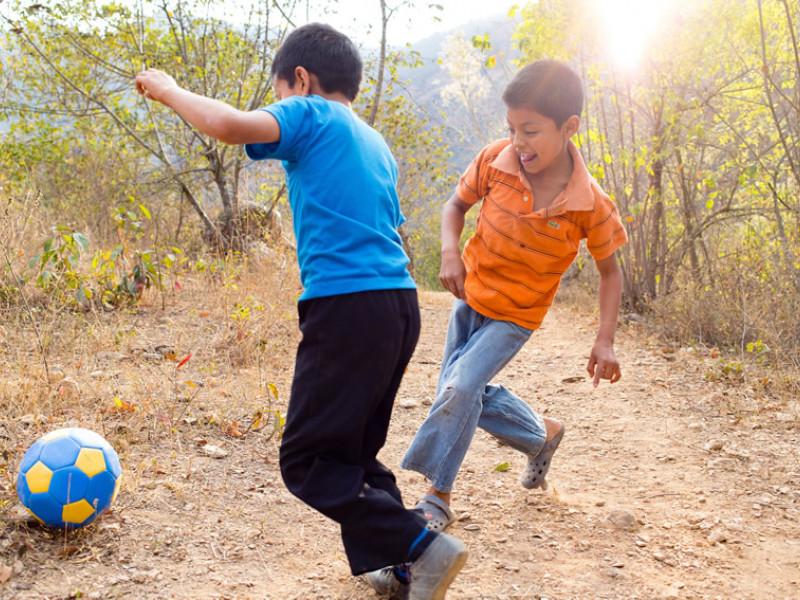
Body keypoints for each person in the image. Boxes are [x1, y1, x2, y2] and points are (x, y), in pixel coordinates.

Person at [135, 22, 467, 599]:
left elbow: (229, 125)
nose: (280, 104)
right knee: (353, 452)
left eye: (281, 91)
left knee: (307, 459)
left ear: (303, 80)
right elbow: (394, 226)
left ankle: (421, 545)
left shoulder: (310, 113)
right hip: (398, 305)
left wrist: (168, 89)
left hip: (346, 306)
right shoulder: (375, 141)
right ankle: (407, 562)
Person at [401, 59, 628, 531]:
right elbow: (455, 205)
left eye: (530, 131)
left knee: (459, 389)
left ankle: (436, 498)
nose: (518, 143)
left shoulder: (591, 204)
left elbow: (610, 272)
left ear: (569, 128)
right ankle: (541, 434)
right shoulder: (494, 160)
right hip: (470, 294)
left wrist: (604, 340)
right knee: (464, 391)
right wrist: (449, 251)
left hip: (516, 316)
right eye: (511, 129)